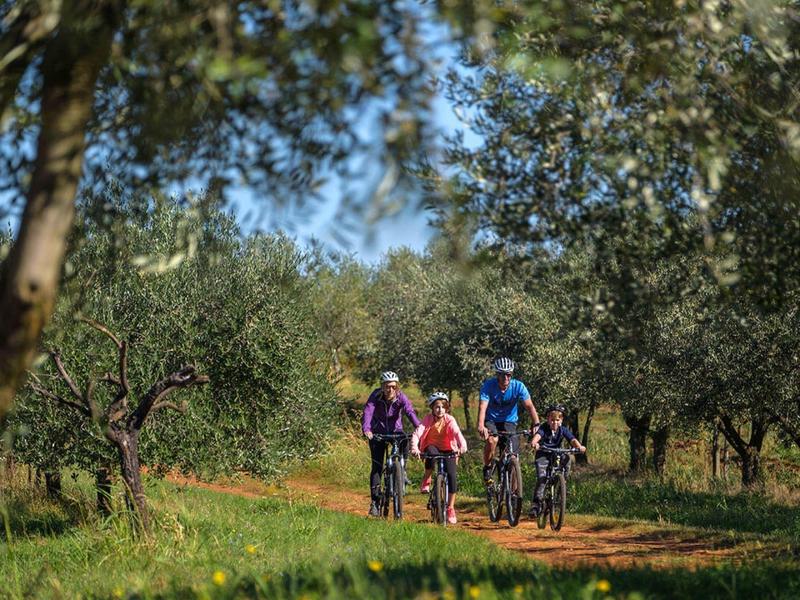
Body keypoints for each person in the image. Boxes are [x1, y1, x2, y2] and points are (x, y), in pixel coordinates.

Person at [362, 371, 422, 516]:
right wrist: (367, 429)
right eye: (387, 386)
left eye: (393, 387)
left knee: (404, 439)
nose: (390, 390)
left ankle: (402, 470)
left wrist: (419, 427)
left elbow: (409, 411)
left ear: (397, 387)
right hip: (377, 433)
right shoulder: (375, 396)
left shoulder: (401, 397)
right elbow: (368, 412)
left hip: (396, 431)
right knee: (377, 467)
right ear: (382, 386)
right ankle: (375, 503)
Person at [477, 357, 540, 484]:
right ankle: (488, 467)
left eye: (508, 374)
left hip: (509, 422)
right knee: (492, 439)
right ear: (497, 375)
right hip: (491, 420)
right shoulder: (488, 386)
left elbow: (529, 406)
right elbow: (482, 406)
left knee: (513, 456)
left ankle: (514, 494)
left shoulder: (518, 386)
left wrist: (536, 424)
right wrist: (480, 425)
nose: (506, 378)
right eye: (502, 374)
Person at [411, 392, 468, 524]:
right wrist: (415, 447)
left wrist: (463, 445)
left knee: (452, 476)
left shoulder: (450, 420)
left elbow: (457, 433)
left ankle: (451, 508)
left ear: (446, 408)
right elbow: (417, 433)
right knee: (431, 453)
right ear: (432, 408)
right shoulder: (428, 419)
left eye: (443, 407)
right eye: (437, 407)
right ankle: (427, 478)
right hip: (432, 446)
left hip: (449, 448)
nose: (440, 409)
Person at [528, 404, 586, 517]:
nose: (554, 423)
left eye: (557, 420)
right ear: (548, 419)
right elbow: (538, 436)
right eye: (552, 420)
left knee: (567, 458)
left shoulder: (563, 430)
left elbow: (572, 439)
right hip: (543, 454)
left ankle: (562, 484)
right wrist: (534, 443)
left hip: (557, 454)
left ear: (561, 420)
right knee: (542, 478)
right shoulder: (544, 428)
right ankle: (536, 504)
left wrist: (579, 446)